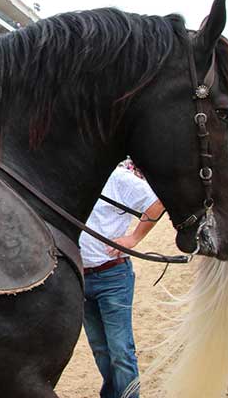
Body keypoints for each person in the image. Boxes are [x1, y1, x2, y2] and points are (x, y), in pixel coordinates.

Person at [79, 166, 164, 398]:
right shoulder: (76, 173)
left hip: (113, 277)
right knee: (100, 349)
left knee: (121, 351)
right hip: (81, 278)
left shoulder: (117, 178)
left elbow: (156, 202)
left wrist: (134, 237)